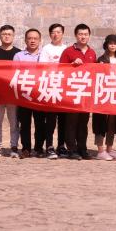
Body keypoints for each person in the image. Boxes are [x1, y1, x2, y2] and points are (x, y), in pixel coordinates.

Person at [59, 24, 97, 160]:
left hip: (86, 93)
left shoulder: (92, 52)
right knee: (71, 122)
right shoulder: (68, 51)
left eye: (86, 34)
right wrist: (72, 65)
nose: (83, 37)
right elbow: (60, 70)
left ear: (89, 35)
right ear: (76, 35)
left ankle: (82, 148)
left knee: (83, 123)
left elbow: (94, 72)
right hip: (72, 92)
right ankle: (72, 149)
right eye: (80, 34)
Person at [0, 24, 21, 158]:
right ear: (0, 36)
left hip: (14, 94)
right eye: (4, 34)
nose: (7, 36)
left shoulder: (19, 54)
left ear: (13, 36)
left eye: (9, 34)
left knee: (14, 122)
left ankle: (14, 146)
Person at [38, 23, 67, 159]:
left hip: (64, 88)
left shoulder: (66, 49)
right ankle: (49, 146)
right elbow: (42, 68)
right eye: (53, 32)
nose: (56, 34)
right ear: (50, 34)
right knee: (50, 120)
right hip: (50, 87)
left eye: (58, 32)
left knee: (63, 120)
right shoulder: (46, 49)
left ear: (62, 34)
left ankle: (61, 145)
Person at [93, 34, 116, 161]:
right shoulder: (101, 59)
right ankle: (100, 150)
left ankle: (109, 148)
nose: (112, 45)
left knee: (112, 123)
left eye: (115, 43)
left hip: (115, 94)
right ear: (106, 45)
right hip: (103, 94)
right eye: (110, 43)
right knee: (100, 121)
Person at [13, 28, 42, 159]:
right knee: (24, 123)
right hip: (24, 94)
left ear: (40, 40)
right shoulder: (19, 56)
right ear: (25, 40)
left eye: (35, 38)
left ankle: (39, 148)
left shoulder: (44, 55)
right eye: (30, 38)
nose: (32, 41)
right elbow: (14, 73)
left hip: (40, 94)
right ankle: (26, 148)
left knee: (40, 123)